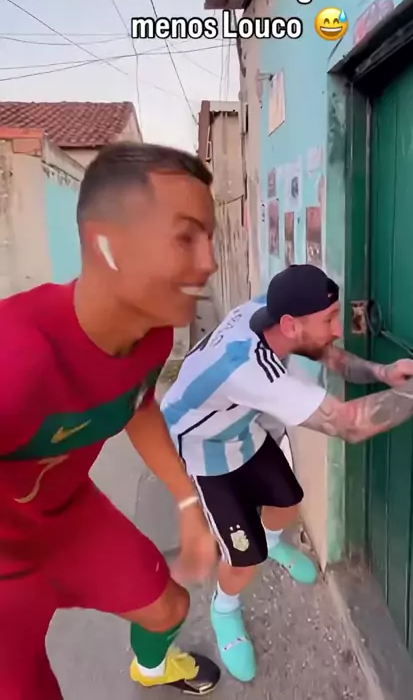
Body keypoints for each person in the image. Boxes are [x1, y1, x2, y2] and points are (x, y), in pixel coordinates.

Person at [160, 263, 413, 683]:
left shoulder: (267, 311)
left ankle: (273, 543)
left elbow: (322, 351)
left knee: (287, 502)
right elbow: (350, 424)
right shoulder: (247, 370)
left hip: (241, 430)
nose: (337, 329)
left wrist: (382, 372)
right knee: (243, 558)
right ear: (290, 325)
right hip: (203, 452)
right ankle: (225, 608)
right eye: (329, 320)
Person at [0, 142, 223, 699]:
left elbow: (136, 403)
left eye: (209, 238)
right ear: (107, 244)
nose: (210, 262)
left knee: (170, 606)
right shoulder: (15, 358)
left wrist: (187, 502)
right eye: (186, 237)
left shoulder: (154, 335)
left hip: (70, 520)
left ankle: (151, 668)